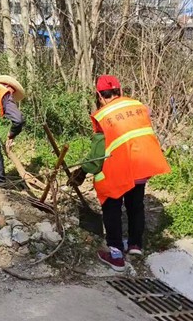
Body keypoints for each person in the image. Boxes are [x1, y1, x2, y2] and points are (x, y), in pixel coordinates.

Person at [69, 75, 170, 271]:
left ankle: (115, 253)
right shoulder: (139, 106)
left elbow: (98, 154)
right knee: (135, 205)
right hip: (142, 165)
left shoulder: (104, 115)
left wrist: (83, 171)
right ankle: (135, 245)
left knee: (112, 206)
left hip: (120, 169)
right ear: (120, 91)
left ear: (99, 95)